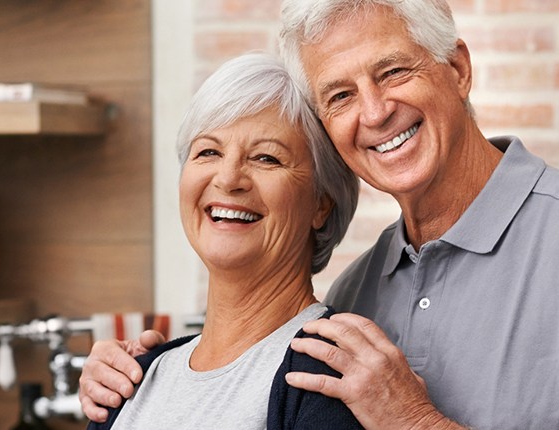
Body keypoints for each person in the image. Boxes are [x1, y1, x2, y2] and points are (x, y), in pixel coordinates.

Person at [82, 1, 559, 428]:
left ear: (456, 69)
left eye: (393, 71)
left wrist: (415, 423)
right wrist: (143, 377)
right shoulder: (356, 294)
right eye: (340, 95)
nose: (373, 113)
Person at [84, 52, 363, 429]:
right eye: (208, 151)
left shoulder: (330, 377)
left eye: (266, 158)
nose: (229, 178)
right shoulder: (132, 378)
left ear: (321, 205)